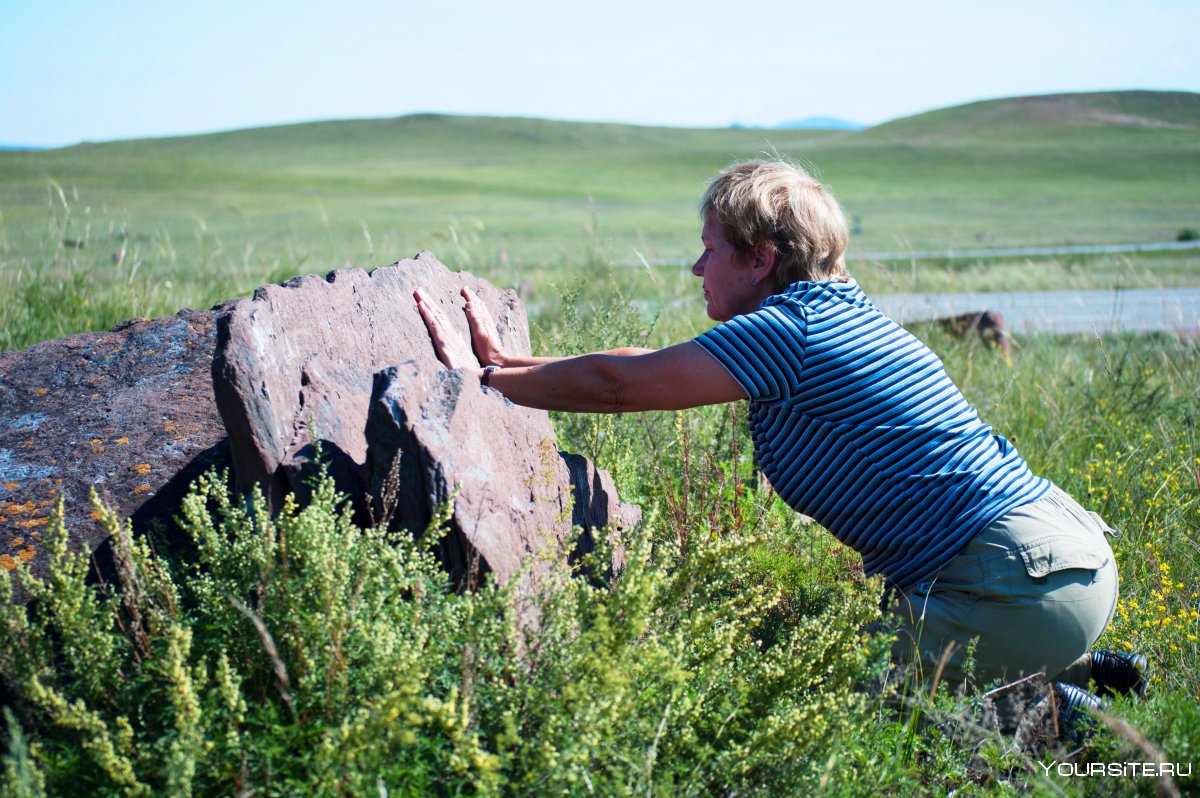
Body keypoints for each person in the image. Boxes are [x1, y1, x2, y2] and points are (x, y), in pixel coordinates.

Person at [415, 159, 1146, 725]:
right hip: (1059, 560)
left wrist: (479, 382)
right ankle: (1072, 673)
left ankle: (1069, 721)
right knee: (839, 664)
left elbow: (619, 388)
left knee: (814, 691)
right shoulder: (831, 313)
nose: (697, 269)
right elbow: (649, 366)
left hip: (1010, 589)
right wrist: (505, 368)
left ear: (761, 258)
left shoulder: (790, 332)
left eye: (709, 250)